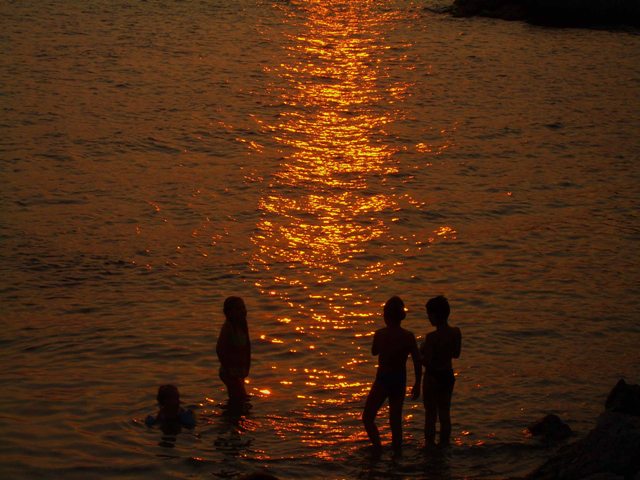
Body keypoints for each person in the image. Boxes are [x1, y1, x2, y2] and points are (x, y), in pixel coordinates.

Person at [362, 296, 421, 454]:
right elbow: (417, 361)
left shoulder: (380, 334)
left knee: (368, 417)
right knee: (395, 422)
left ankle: (377, 448)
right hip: (399, 380)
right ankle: (397, 454)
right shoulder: (408, 336)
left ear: (385, 315)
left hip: (383, 379)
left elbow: (374, 352)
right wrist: (417, 383)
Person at [421, 295, 462, 448]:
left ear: (435, 315)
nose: (428, 317)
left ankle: (429, 445)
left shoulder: (431, 337)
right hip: (447, 375)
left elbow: (427, 362)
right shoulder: (456, 332)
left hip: (432, 377)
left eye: (429, 314)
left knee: (430, 415)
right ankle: (445, 444)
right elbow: (456, 354)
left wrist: (420, 353)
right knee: (445, 414)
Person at [216, 296, 251, 403]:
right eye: (238, 309)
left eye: (243, 308)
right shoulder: (228, 328)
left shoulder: (242, 325)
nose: (242, 311)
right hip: (229, 372)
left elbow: (247, 346)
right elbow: (219, 349)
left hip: (240, 370)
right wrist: (229, 370)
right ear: (229, 312)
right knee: (240, 399)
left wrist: (247, 366)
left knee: (239, 400)